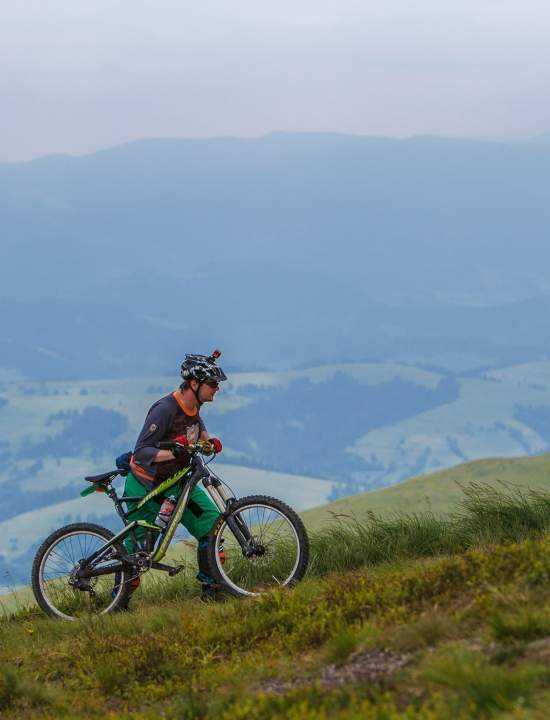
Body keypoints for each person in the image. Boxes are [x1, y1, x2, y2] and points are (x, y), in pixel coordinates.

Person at [121, 350, 227, 605]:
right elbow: (142, 451)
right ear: (194, 383)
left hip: (178, 484)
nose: (216, 389)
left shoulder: (194, 407)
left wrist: (209, 443)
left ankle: (211, 592)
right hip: (148, 487)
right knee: (137, 552)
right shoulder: (164, 409)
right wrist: (173, 451)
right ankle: (117, 602)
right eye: (212, 384)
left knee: (212, 523)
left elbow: (197, 429)